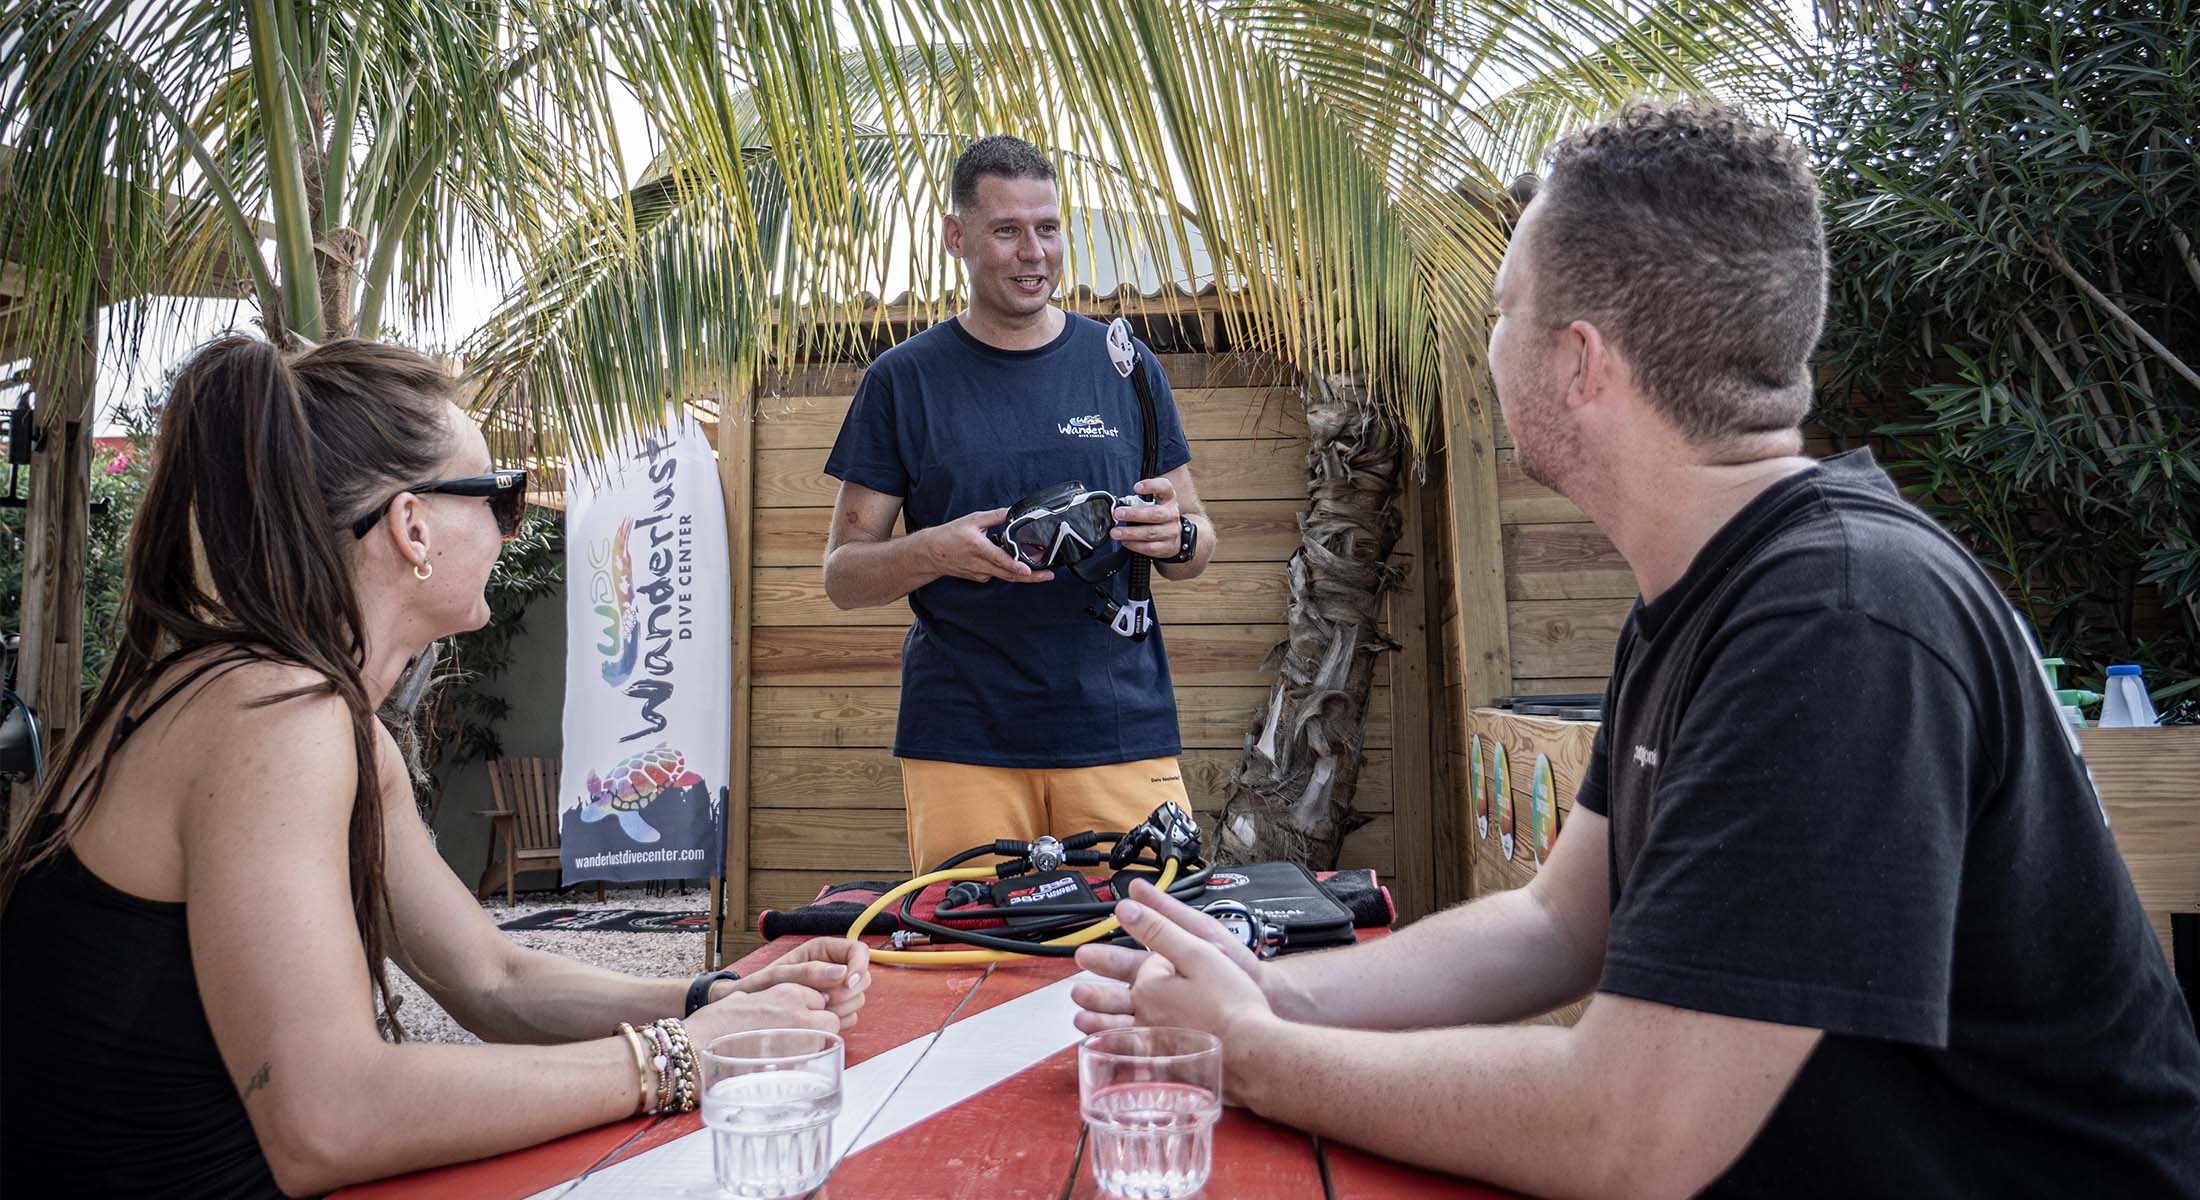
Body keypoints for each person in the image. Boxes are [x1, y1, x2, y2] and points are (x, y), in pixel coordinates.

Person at [1069, 97, 2200, 1197]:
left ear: (1579, 363)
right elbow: (1559, 923)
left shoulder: (1838, 622)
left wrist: (1258, 1059)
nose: (1486, 336)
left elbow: (1633, 1131)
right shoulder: (1720, 591)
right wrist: (1269, 996)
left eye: (1500, 307)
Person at [0, 337, 869, 1198]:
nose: (508, 522)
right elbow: (330, 1119)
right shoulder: (273, 715)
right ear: (412, 527)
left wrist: (710, 997)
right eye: (501, 495)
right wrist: (681, 1061)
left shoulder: (292, 708)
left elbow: (493, 977)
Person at [822, 135, 1218, 875]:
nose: (1033, 253)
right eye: (1007, 231)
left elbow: (1197, 545)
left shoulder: (1124, 366)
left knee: (1148, 958)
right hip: (963, 737)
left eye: (1048, 228)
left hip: (1121, 729)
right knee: (979, 960)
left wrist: (1178, 535)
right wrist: (935, 550)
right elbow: (843, 576)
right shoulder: (902, 381)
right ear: (957, 236)